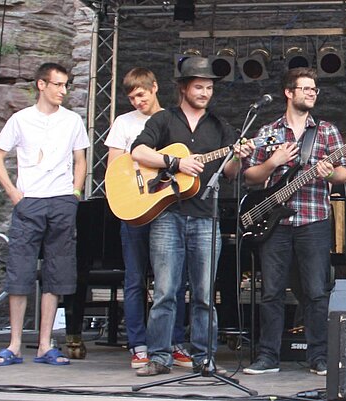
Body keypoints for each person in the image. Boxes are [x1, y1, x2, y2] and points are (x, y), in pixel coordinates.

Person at [130, 57, 252, 376]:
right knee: (166, 291)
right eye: (199, 86)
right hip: (167, 213)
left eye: (209, 87)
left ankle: (204, 358)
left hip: (206, 216)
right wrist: (175, 163)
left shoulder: (219, 126)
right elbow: (138, 152)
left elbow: (230, 171)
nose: (205, 92)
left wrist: (239, 157)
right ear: (183, 87)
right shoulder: (164, 120)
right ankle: (159, 357)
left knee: (203, 294)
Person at [242, 67, 346, 376]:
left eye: (314, 89)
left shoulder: (327, 131)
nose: (311, 93)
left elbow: (344, 173)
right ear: (289, 93)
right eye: (305, 89)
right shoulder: (268, 131)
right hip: (275, 224)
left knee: (316, 290)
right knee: (271, 291)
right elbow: (249, 177)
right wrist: (272, 162)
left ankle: (319, 356)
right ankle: (268, 356)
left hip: (313, 218)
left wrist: (328, 173)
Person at [0, 62, 89, 367]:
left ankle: (45, 344)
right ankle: (15, 344)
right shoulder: (21, 119)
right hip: (28, 200)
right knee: (19, 270)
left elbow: (81, 159)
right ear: (42, 85)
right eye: (58, 84)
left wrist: (75, 193)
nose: (63, 91)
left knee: (56, 273)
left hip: (61, 200)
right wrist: (14, 194)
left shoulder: (72, 120)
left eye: (66, 85)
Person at [104, 67, 191, 370]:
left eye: (141, 94)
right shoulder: (123, 123)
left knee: (174, 280)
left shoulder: (172, 120)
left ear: (154, 88)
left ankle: (173, 342)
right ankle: (138, 344)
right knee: (135, 278)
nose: (137, 102)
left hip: (166, 208)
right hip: (135, 207)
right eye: (131, 98)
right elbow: (114, 168)